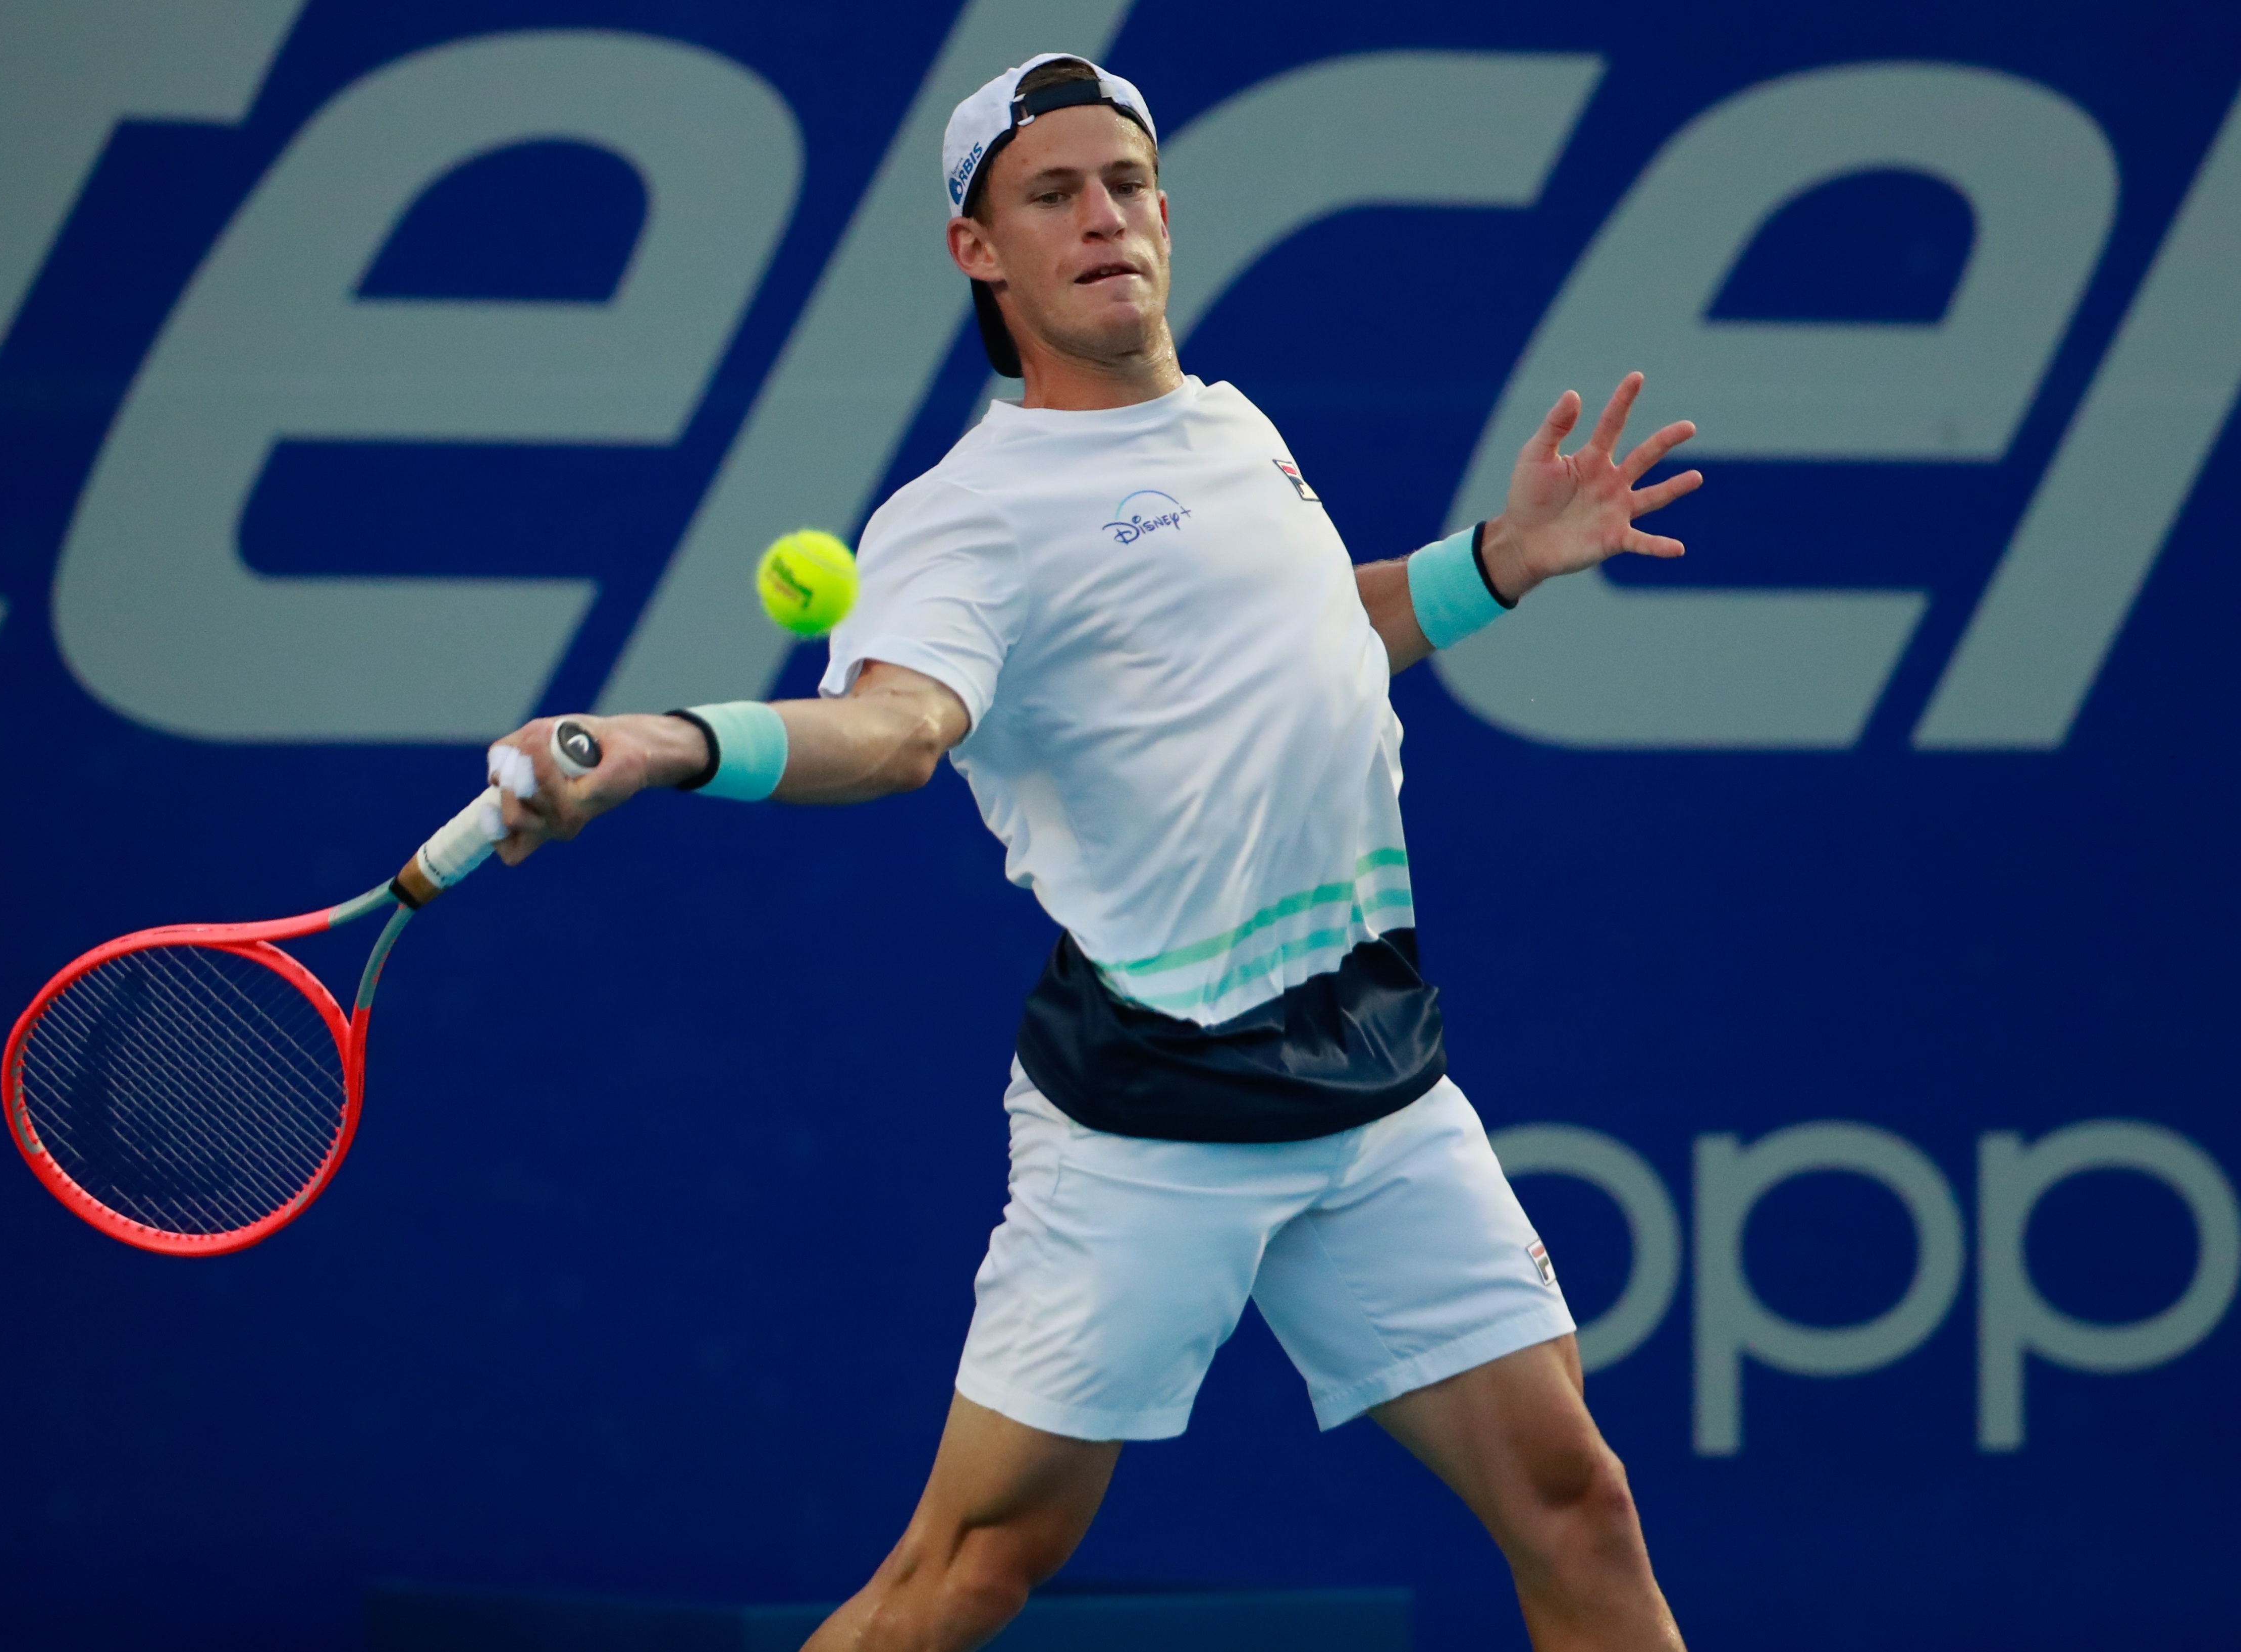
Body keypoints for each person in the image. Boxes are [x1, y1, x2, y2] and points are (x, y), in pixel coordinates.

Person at [492, 51, 1699, 1652]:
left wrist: (1496, 565)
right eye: (1051, 195)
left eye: (1125, 184)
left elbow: (1305, 642)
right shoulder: (967, 516)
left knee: (1579, 1503)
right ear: (978, 251)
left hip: (1376, 1073)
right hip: (1156, 1116)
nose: (1103, 219)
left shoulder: (1229, 425)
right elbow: (903, 727)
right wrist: (668, 741)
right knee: (967, 1572)